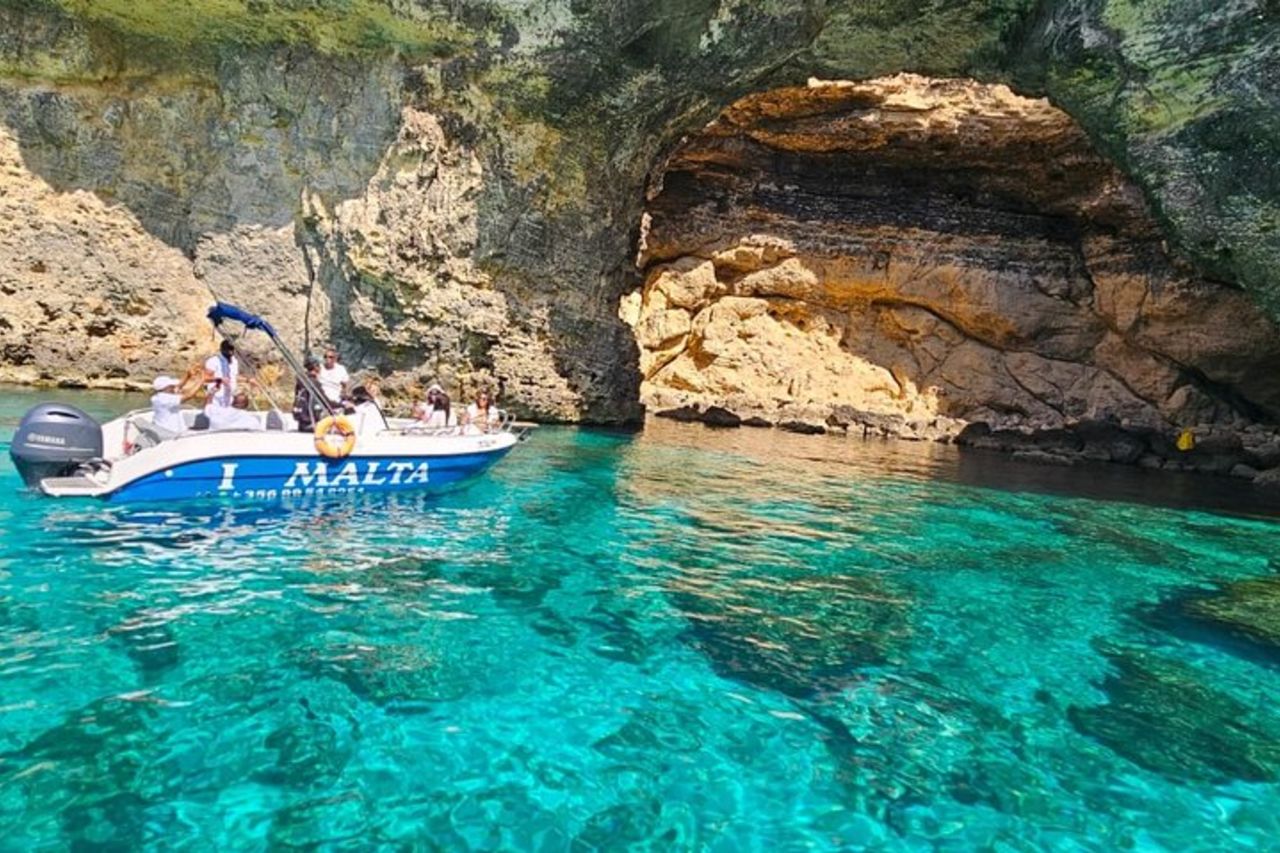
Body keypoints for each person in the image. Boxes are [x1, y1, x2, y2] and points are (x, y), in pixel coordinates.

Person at [149, 364, 205, 436]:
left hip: (164, 429)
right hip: (172, 433)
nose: (173, 387)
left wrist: (188, 375)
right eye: (171, 386)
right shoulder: (166, 399)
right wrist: (201, 380)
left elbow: (178, 386)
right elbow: (189, 395)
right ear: (166, 388)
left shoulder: (157, 397)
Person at [203, 339, 240, 413]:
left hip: (230, 396)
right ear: (222, 349)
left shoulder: (235, 361)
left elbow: (234, 376)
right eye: (228, 349)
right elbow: (205, 378)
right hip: (216, 397)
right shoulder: (213, 361)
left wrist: (248, 380)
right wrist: (220, 379)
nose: (230, 351)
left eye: (231, 349)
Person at [292, 356, 327, 432]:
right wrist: (343, 405)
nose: (321, 368)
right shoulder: (313, 382)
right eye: (319, 366)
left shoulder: (301, 381)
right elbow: (326, 402)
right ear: (315, 367)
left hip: (302, 424)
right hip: (312, 423)